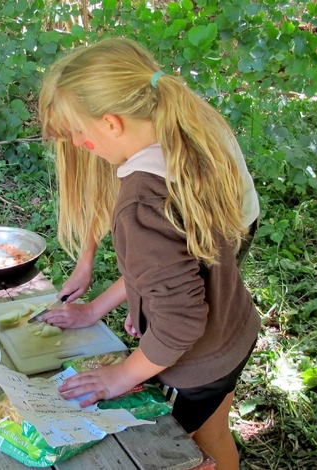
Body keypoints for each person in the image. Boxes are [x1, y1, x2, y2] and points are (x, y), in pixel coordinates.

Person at [37, 38, 261, 470]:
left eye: (80, 135)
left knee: (174, 456)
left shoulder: (141, 204)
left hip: (195, 367)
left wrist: (120, 377)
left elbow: (179, 321)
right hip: (234, 335)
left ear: (112, 124)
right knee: (213, 432)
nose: (81, 145)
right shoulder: (190, 147)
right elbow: (180, 268)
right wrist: (107, 308)